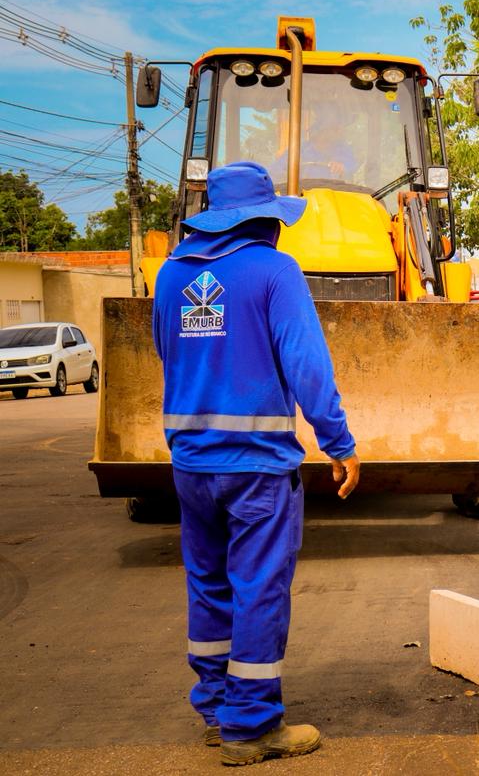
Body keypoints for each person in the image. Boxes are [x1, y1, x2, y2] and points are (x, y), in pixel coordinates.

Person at [152, 161, 360, 766]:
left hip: (191, 463)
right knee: (259, 589)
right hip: (259, 469)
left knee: (209, 587)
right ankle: (251, 727)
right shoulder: (275, 271)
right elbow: (307, 367)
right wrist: (339, 442)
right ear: (265, 218)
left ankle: (217, 710)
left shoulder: (169, 276)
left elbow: (170, 352)